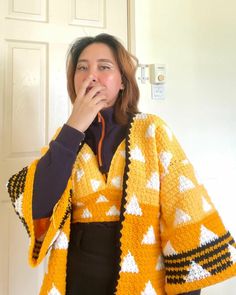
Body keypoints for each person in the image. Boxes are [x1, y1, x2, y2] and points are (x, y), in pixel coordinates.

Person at [7, 33, 236, 295]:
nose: (91, 75)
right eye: (82, 67)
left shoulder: (153, 131)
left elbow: (184, 210)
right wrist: (74, 128)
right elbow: (39, 206)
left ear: (123, 82)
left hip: (144, 277)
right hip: (76, 279)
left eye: (104, 67)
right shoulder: (65, 138)